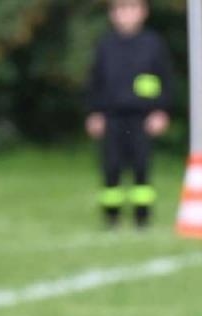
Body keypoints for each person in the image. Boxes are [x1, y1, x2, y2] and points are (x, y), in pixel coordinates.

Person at [85, 0, 172, 229]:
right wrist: (94, 112)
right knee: (111, 167)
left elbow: (165, 79)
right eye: (121, 9)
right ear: (113, 14)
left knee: (142, 167)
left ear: (143, 12)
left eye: (132, 9)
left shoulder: (152, 44)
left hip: (142, 117)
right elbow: (95, 81)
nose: (126, 15)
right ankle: (111, 218)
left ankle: (142, 218)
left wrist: (160, 110)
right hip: (112, 117)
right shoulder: (105, 45)